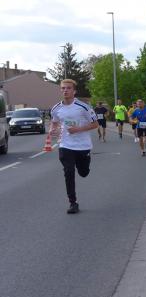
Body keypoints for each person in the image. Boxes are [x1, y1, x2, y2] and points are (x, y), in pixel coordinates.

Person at [50, 79, 99, 214]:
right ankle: (73, 203)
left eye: (68, 88)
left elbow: (95, 124)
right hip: (65, 144)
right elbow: (54, 122)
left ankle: (84, 164)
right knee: (68, 171)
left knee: (83, 173)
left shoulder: (84, 107)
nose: (65, 90)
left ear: (74, 91)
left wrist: (78, 129)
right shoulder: (56, 108)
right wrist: (52, 130)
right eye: (63, 88)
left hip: (83, 146)